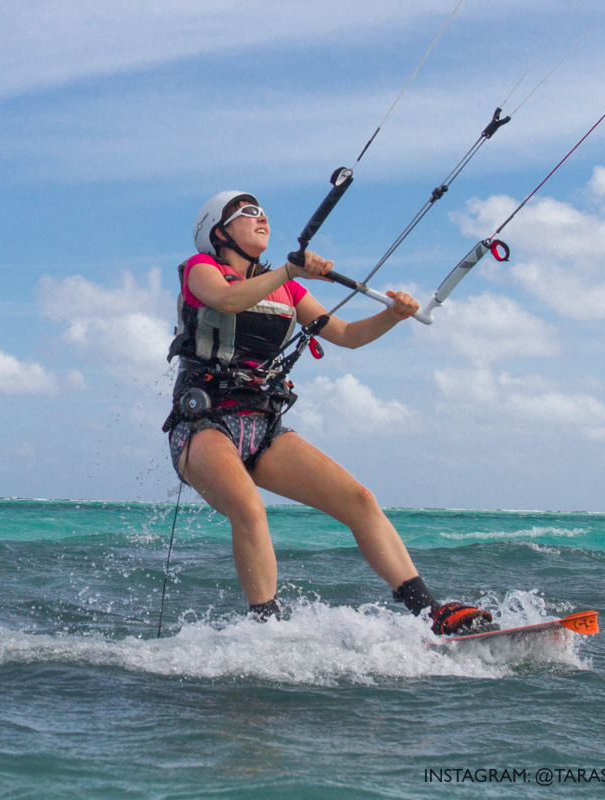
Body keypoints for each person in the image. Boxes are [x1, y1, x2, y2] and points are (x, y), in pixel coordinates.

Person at [163, 191, 493, 635]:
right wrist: (289, 269)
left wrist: (394, 316)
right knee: (249, 507)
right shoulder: (201, 268)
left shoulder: (288, 288)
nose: (262, 218)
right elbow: (226, 300)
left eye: (264, 212)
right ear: (218, 233)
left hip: (263, 425)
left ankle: (432, 613)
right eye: (248, 213)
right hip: (202, 426)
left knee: (359, 500)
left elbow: (347, 334)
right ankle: (266, 631)